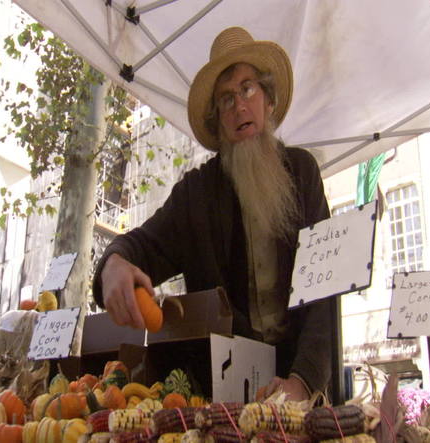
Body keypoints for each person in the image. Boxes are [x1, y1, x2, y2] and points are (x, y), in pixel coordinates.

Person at [93, 26, 332, 402]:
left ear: (268, 100)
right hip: (227, 391)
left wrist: (303, 381)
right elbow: (141, 244)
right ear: (218, 121)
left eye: (248, 88)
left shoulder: (302, 173)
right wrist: (113, 265)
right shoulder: (196, 194)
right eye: (225, 99)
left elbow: (325, 288)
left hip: (299, 383)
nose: (238, 105)